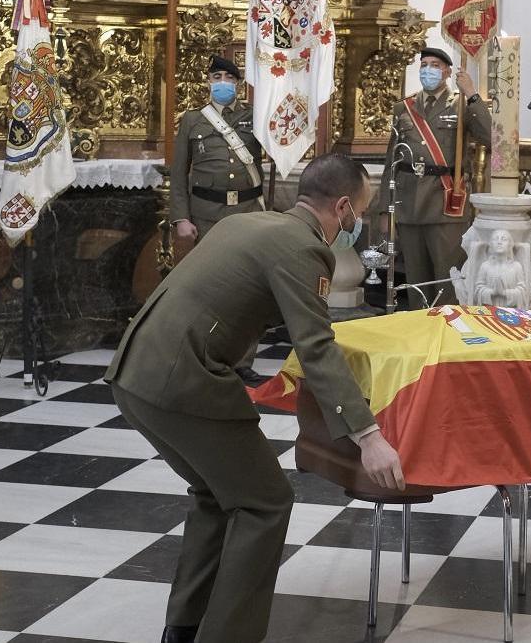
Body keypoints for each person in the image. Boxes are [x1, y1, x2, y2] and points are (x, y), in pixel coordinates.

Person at [105, 153, 406, 643]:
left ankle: (183, 628)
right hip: (184, 382)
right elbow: (315, 347)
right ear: (344, 207)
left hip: (135, 372)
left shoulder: (246, 222)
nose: (359, 225)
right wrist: (368, 436)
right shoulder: (303, 248)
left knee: (215, 494)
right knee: (265, 502)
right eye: (362, 214)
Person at [169, 54, 267, 383]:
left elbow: (279, 151)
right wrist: (181, 217)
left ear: (238, 84)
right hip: (207, 215)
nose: (222, 83)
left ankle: (243, 360)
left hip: (247, 212)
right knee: (210, 288)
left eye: (228, 78)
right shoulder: (192, 120)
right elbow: (178, 174)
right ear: (208, 82)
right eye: (216, 77)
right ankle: (207, 355)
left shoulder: (256, 116)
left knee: (248, 289)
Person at [378, 47, 492, 309]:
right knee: (415, 279)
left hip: (444, 202)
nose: (428, 70)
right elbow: (390, 161)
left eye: (436, 65)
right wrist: (385, 208)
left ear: (448, 72)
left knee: (447, 276)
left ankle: (447, 330)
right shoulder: (404, 108)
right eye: (424, 64)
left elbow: (490, 137)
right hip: (409, 202)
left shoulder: (461, 105)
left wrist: (472, 94)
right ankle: (420, 330)